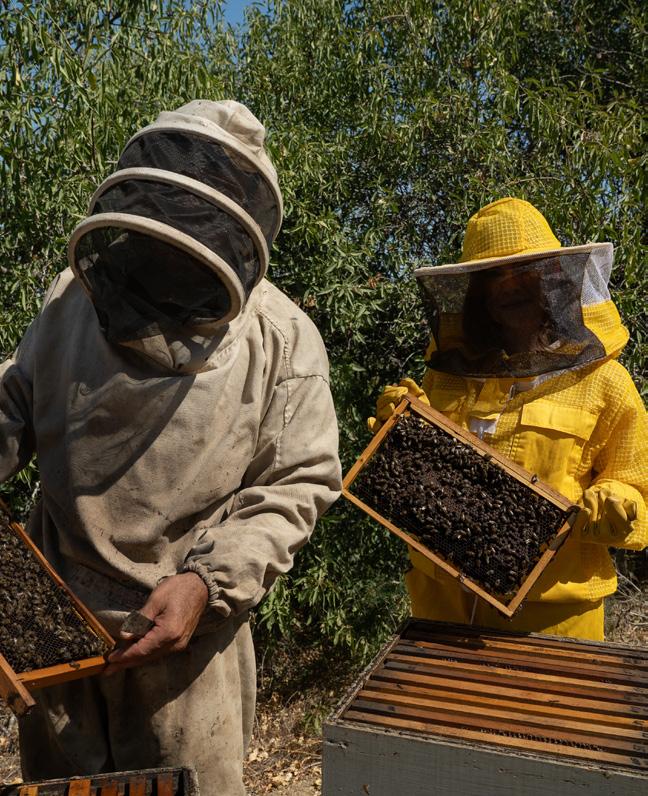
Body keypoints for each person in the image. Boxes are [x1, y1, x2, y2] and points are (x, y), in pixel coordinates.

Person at [0, 100, 341, 794]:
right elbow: (13, 403)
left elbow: (299, 482)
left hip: (187, 647)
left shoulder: (282, 339)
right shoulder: (73, 297)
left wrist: (208, 584)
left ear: (230, 241)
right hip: (55, 622)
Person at [369, 197, 647, 641]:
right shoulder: (447, 378)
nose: (510, 285)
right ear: (477, 292)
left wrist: (619, 500)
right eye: (494, 275)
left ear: (552, 278)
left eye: (524, 270)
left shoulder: (604, 381)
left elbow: (638, 486)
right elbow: (422, 479)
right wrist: (401, 431)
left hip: (552, 620)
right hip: (440, 606)